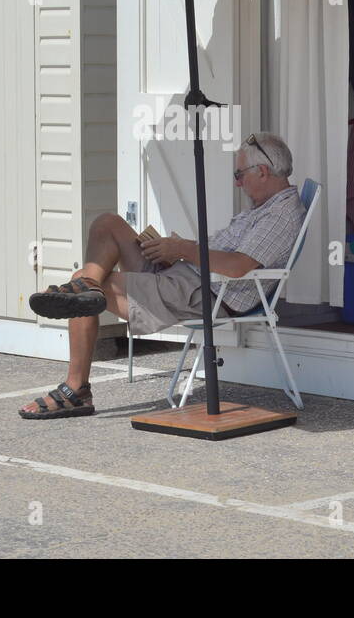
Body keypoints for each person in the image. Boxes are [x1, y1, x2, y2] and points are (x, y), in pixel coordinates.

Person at [19, 132, 306, 419]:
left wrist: (182, 249)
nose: (237, 181)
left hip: (206, 292)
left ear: (263, 172)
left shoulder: (280, 215)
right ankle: (88, 285)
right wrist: (177, 251)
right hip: (188, 274)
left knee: (80, 288)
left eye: (239, 173)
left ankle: (75, 388)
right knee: (108, 224)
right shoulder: (264, 207)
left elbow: (237, 267)